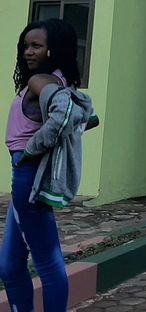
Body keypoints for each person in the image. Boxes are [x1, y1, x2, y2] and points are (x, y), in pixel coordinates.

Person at [1, 18, 97, 312]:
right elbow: (85, 118)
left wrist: (30, 150)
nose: (28, 52)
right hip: (26, 175)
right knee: (9, 264)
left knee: (47, 261)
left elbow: (64, 113)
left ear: (52, 51)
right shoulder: (56, 79)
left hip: (27, 175)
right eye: (26, 46)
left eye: (36, 46)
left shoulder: (40, 81)